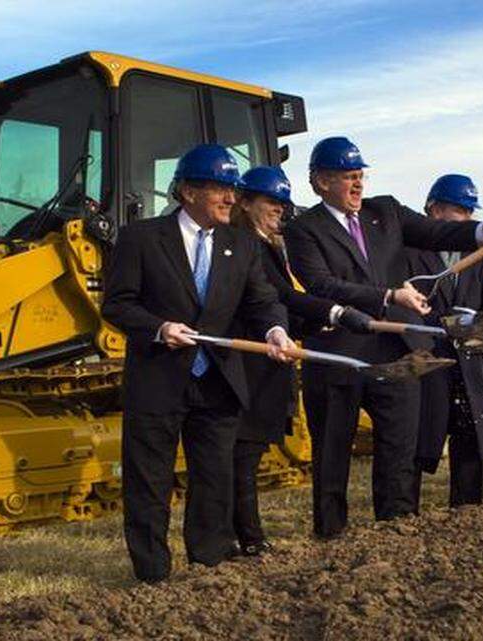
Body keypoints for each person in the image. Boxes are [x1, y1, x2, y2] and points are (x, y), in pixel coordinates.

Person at [282, 137, 483, 538]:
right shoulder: (304, 229)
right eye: (348, 177)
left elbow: (437, 232)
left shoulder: (386, 212)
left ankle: (396, 531)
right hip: (340, 355)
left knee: (399, 449)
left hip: (397, 355)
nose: (358, 184)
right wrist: (389, 296)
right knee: (332, 455)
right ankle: (331, 536)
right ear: (321, 182)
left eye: (360, 175)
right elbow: (322, 284)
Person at [102, 144, 294, 583]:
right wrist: (159, 327)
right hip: (158, 379)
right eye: (220, 189)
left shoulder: (241, 244)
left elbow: (262, 301)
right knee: (149, 481)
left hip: (218, 380)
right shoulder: (141, 239)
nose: (230, 199)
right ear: (188, 192)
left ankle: (208, 565)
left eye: (233, 190)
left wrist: (274, 330)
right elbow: (117, 305)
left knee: (214, 478)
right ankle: (152, 573)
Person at [227, 165, 374, 556]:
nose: (280, 209)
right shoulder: (246, 244)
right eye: (270, 201)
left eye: (283, 203)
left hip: (268, 356)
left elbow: (281, 306)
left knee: (249, 451)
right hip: (249, 361)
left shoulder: (268, 244)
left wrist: (310, 324)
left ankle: (245, 535)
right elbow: (279, 297)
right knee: (243, 454)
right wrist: (335, 312)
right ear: (245, 202)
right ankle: (249, 538)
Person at [405, 174, 483, 507]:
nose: (467, 218)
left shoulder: (479, 254)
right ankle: (403, 520)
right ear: (434, 210)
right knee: (415, 445)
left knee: (471, 443)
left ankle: (470, 513)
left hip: (467, 364)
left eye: (470, 212)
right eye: (460, 210)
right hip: (426, 362)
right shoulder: (409, 251)